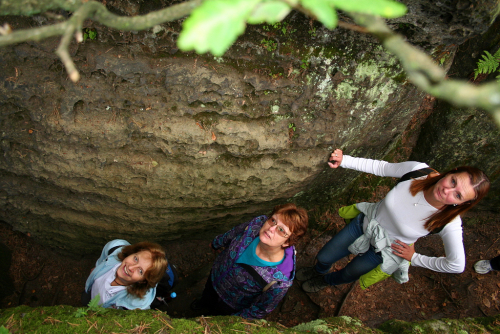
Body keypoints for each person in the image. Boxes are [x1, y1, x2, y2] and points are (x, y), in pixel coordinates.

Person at [298, 149, 490, 293]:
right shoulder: (418, 171)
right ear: (451, 172)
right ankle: (319, 270)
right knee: (324, 256)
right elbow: (382, 167)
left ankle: (326, 281)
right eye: (453, 181)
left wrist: (414, 258)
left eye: (457, 195)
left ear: (464, 203)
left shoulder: (449, 222)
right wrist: (345, 160)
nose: (447, 191)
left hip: (385, 250)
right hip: (365, 224)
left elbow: (456, 265)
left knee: (349, 274)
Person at [191, 203, 308, 319]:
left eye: (281, 230)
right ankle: (203, 304)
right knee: (207, 295)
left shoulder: (279, 281)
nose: (271, 228)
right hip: (216, 274)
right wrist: (218, 242)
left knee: (216, 315)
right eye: (273, 220)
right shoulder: (256, 225)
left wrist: (232, 321)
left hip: (230, 303)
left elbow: (261, 309)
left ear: (287, 242)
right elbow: (235, 232)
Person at [82, 239, 168, 309]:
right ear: (133, 252)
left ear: (143, 281)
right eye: (135, 259)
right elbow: (104, 257)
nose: (130, 268)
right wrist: (98, 267)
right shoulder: (115, 246)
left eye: (140, 271)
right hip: (90, 293)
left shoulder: (135, 306)